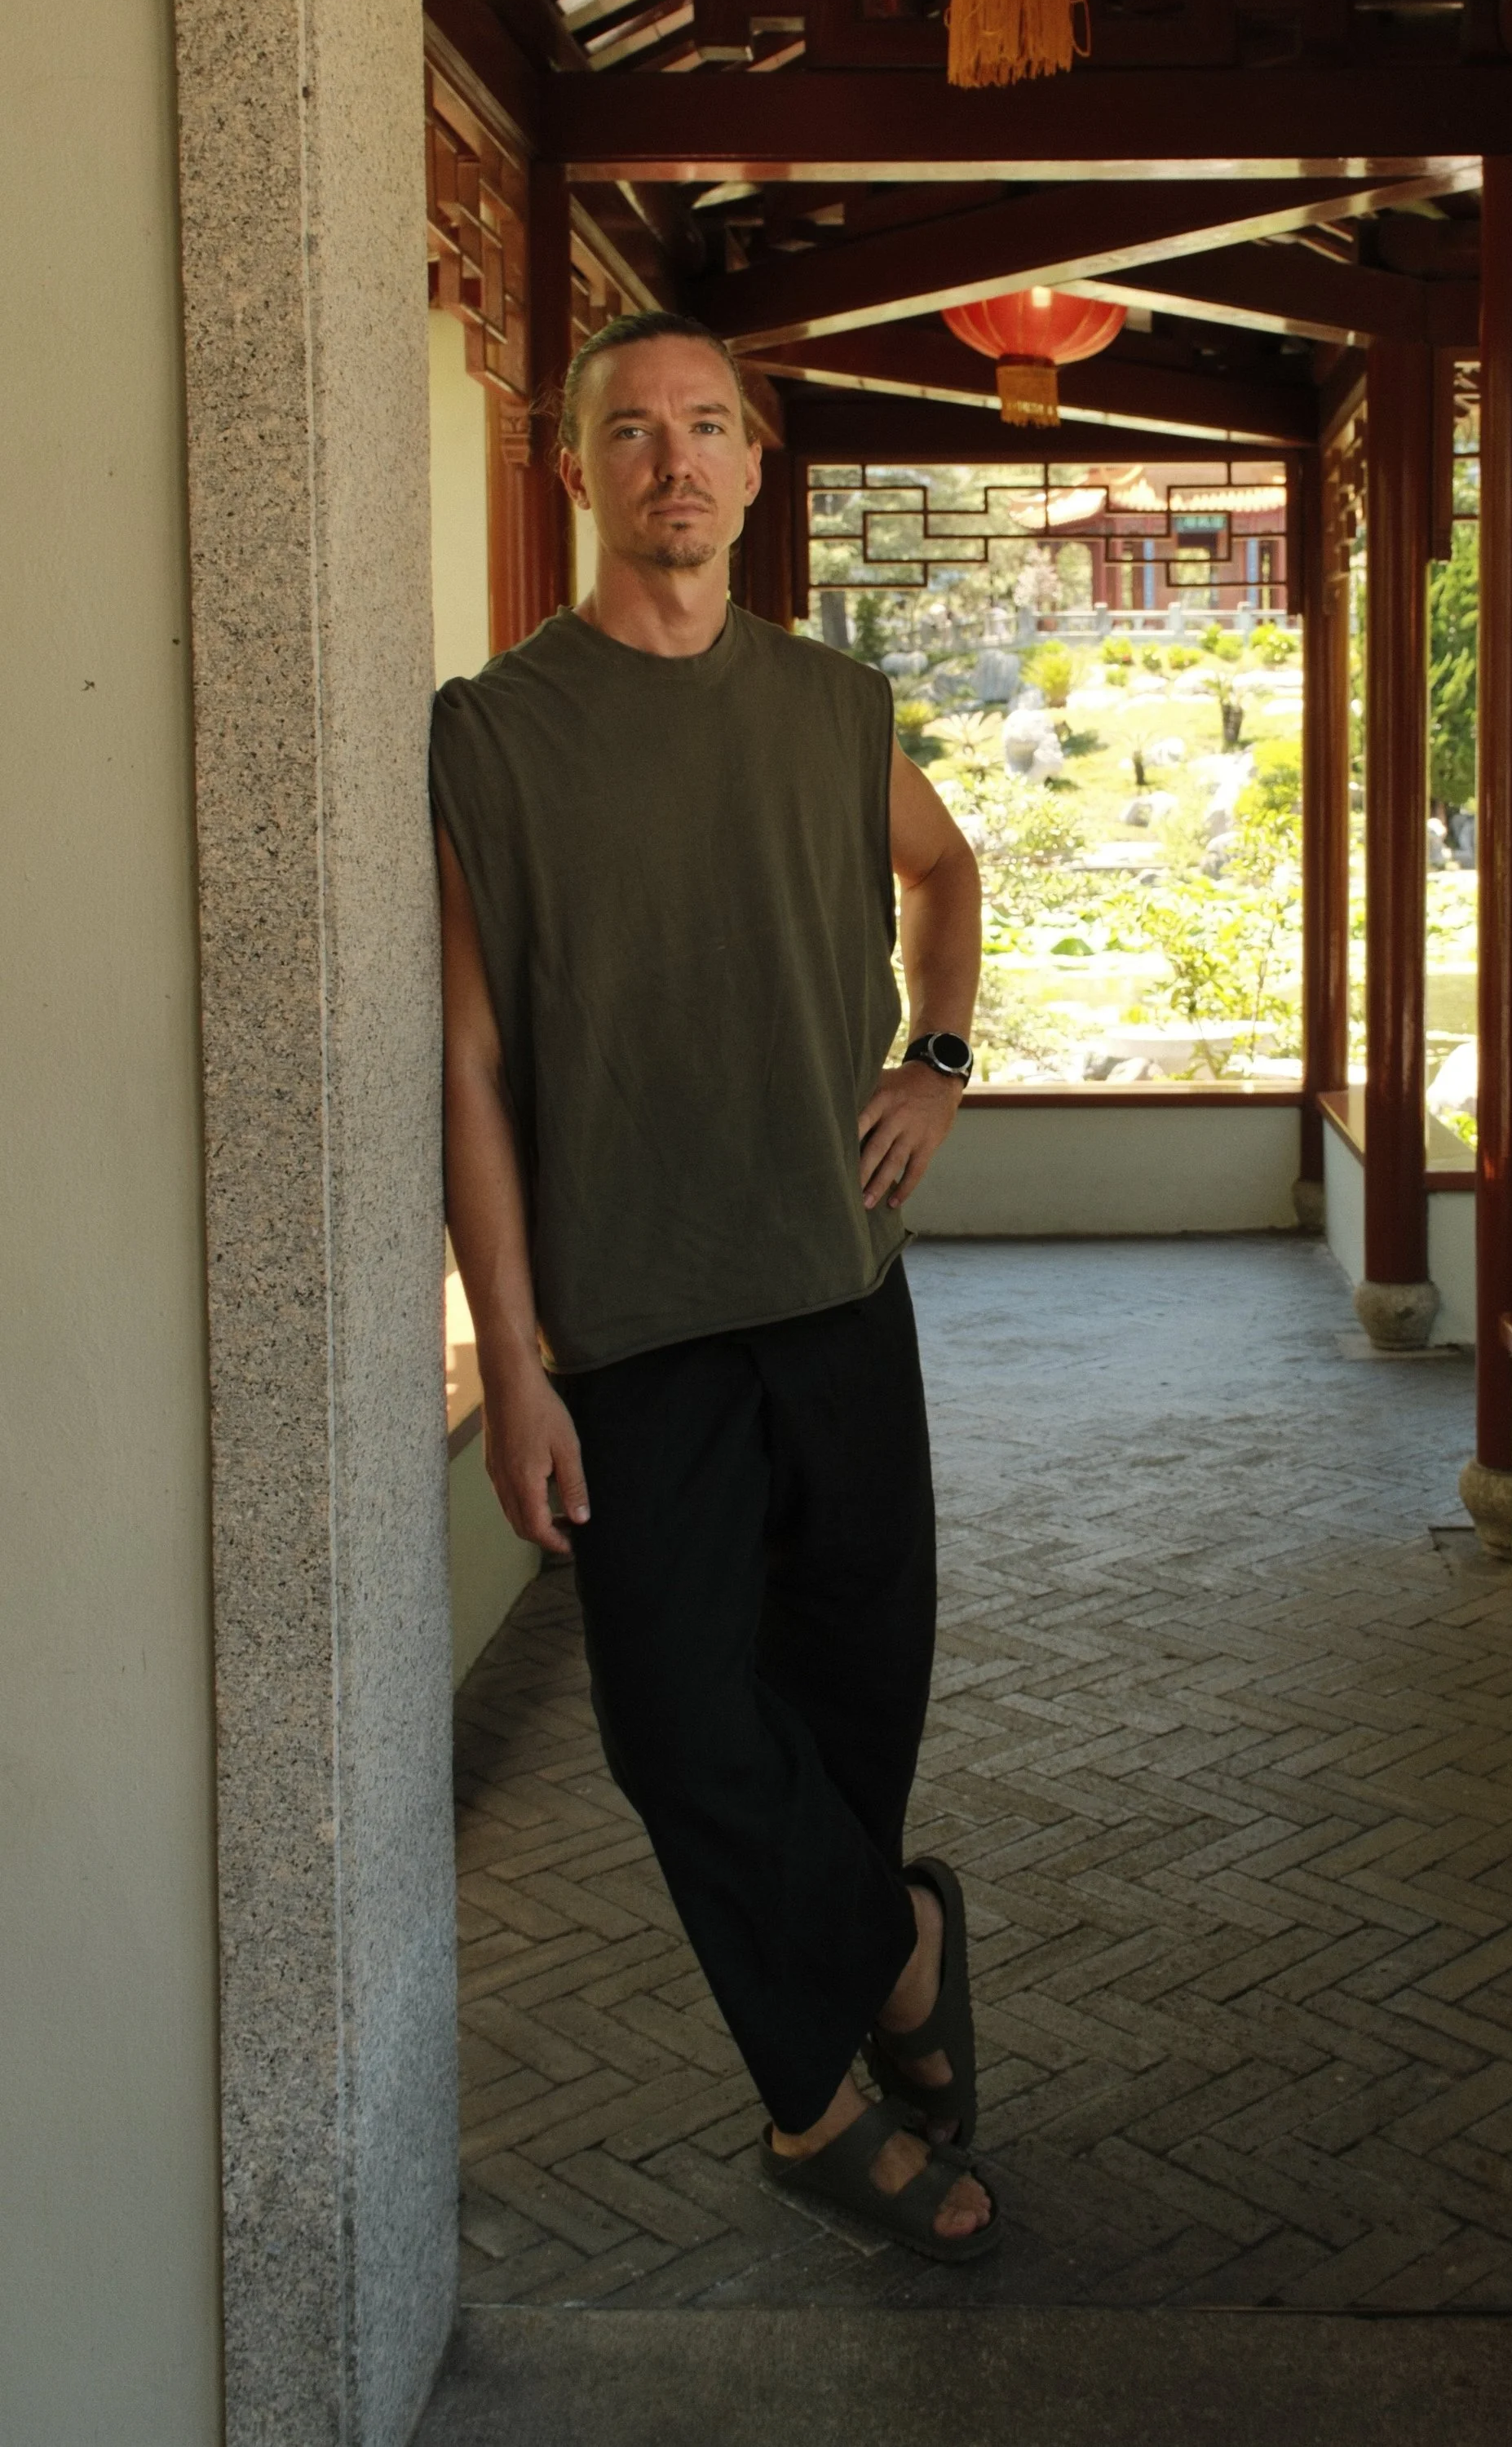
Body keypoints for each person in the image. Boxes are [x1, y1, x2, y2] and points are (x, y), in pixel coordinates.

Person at [431, 310, 996, 2261]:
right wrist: (509, 1362)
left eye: (706, 429)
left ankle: (823, 2075)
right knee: (677, 1728)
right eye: (630, 432)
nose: (672, 462)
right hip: (637, 1326)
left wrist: (936, 1063)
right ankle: (874, 2003)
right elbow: (472, 1068)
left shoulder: (835, 713)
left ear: (755, 466)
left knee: (853, 1701)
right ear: (573, 468)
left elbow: (948, 875)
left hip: (838, 1289)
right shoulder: (488, 736)